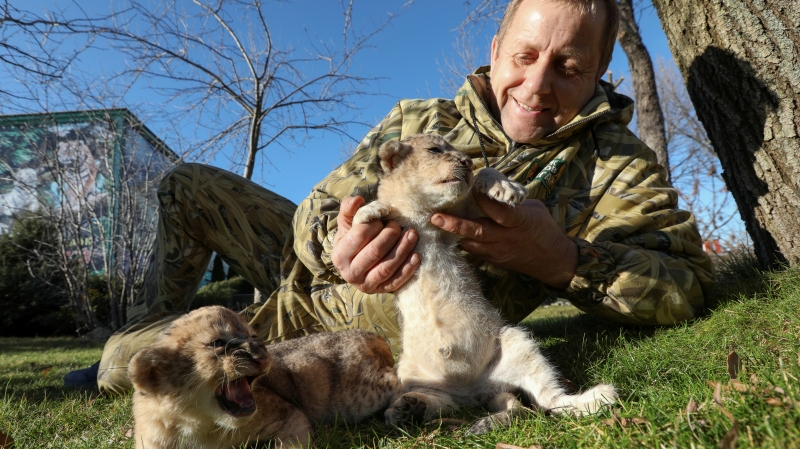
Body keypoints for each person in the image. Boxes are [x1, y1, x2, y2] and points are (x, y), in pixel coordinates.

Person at [65, 0, 715, 394]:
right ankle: (152, 318)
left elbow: (685, 284)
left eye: (569, 67)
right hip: (312, 282)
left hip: (368, 328)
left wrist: (561, 259)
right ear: (496, 51)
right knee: (185, 186)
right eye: (524, 56)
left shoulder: (613, 162)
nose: (537, 84)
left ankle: (129, 352)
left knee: (130, 363)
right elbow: (319, 208)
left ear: (601, 70)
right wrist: (337, 242)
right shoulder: (418, 120)